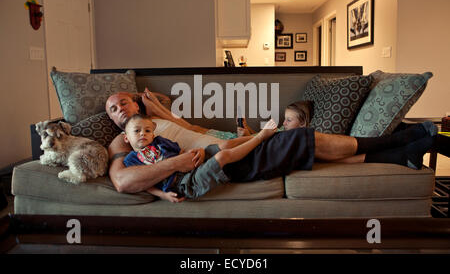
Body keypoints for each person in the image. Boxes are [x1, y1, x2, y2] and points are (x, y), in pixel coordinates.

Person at [106, 90, 436, 194]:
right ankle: (401, 140)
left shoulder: (153, 121)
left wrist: (159, 108)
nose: (119, 108)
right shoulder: (120, 144)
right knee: (305, 139)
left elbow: (189, 125)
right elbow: (122, 181)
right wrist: (177, 163)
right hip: (224, 161)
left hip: (225, 148)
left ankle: (401, 155)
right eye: (112, 108)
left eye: (123, 102)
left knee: (312, 149)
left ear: (136, 104)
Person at [121, 113, 278, 202]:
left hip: (190, 164)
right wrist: (163, 195)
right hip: (184, 183)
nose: (143, 133)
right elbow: (143, 183)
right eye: (137, 131)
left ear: (153, 134)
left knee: (225, 145)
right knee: (223, 156)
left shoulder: (160, 142)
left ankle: (261, 135)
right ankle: (261, 137)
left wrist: (197, 153)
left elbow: (180, 151)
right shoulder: (131, 159)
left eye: (147, 130)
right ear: (126, 138)